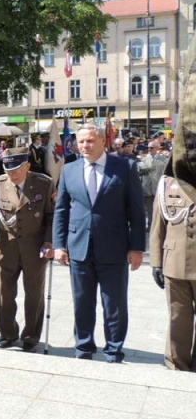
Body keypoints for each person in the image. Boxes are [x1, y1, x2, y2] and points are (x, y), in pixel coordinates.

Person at [53, 124, 145, 362]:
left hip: (114, 247)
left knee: (114, 304)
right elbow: (61, 209)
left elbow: (136, 210)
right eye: (81, 141)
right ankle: (83, 347)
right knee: (82, 301)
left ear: (103, 141)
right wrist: (59, 245)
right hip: (79, 247)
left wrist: (137, 248)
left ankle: (114, 350)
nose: (85, 146)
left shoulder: (125, 167)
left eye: (90, 141)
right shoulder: (69, 169)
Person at [0, 147, 54, 352]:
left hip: (35, 248)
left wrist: (49, 242)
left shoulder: (43, 183)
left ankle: (31, 336)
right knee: (4, 293)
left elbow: (51, 215)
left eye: (17, 169)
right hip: (7, 248)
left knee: (34, 295)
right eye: (8, 169)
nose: (12, 174)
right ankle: (7, 334)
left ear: (28, 166)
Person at [150, 170, 196, 370]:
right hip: (175, 263)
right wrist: (156, 262)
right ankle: (176, 366)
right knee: (178, 318)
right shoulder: (168, 183)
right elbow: (158, 226)